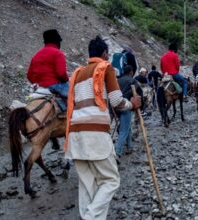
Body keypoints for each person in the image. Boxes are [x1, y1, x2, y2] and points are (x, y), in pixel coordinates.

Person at [64, 36, 141, 220]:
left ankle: (88, 215)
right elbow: (116, 102)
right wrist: (132, 104)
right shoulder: (105, 68)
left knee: (87, 184)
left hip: (75, 134)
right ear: (105, 53)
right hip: (95, 133)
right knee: (111, 180)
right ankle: (90, 217)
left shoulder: (77, 73)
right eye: (107, 54)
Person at [27, 29, 68, 102]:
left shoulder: (36, 55)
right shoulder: (57, 53)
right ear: (57, 42)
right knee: (74, 96)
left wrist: (39, 82)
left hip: (38, 88)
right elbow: (61, 73)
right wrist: (66, 79)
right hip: (53, 86)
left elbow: (29, 75)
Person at [116, 65, 143, 158]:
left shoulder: (118, 80)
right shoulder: (133, 81)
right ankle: (117, 152)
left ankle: (129, 146)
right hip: (127, 106)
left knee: (127, 126)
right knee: (123, 130)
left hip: (116, 106)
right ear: (131, 72)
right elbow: (140, 93)